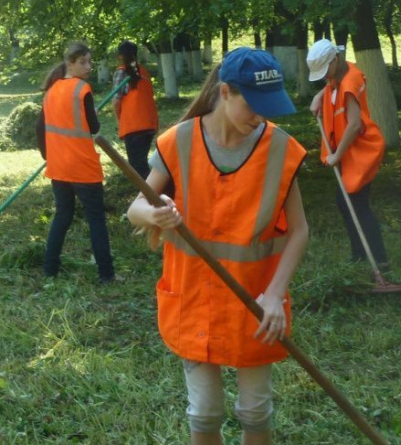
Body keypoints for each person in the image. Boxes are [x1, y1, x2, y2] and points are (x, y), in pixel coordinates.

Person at [127, 48, 309, 444]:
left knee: (256, 411)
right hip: (193, 300)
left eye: (269, 106)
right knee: (205, 413)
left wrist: (275, 295)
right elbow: (135, 208)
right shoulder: (179, 141)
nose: (261, 116)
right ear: (225, 92)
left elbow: (299, 232)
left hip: (255, 304)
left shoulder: (281, 148)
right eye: (254, 105)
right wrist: (154, 215)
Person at [36, 41, 115, 284]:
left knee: (62, 216)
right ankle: (106, 274)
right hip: (83, 168)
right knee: (96, 220)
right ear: (70, 63)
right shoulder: (82, 89)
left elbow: (40, 128)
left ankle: (50, 269)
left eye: (90, 61)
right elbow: (94, 127)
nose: (89, 66)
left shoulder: (50, 91)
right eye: (83, 62)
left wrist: (47, 156)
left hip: (59, 168)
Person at [306, 39, 389, 270]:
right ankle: (360, 256)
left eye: (325, 71)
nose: (324, 77)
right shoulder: (338, 74)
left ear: (335, 59)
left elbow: (353, 125)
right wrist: (319, 96)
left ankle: (379, 261)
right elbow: (333, 83)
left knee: (356, 204)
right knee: (347, 203)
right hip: (348, 152)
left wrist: (336, 155)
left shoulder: (350, 83)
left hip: (360, 152)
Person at [112, 40, 159, 179]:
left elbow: (116, 101)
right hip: (149, 124)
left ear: (120, 56)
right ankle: (152, 194)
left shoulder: (121, 73)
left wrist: (118, 120)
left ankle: (153, 195)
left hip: (133, 126)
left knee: (138, 168)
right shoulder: (144, 72)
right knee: (141, 164)